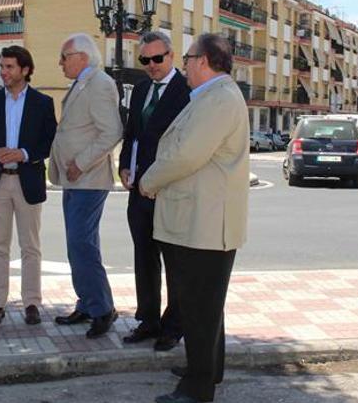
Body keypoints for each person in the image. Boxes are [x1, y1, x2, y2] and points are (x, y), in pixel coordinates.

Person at [139, 34, 249, 403]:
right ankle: (207, 370)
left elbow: (187, 155)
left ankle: (197, 390)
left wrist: (148, 181)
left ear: (203, 60)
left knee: (199, 309)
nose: (183, 66)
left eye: (186, 59)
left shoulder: (219, 99)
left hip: (203, 225)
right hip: (199, 221)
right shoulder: (211, 96)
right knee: (205, 306)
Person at [0, 46, 57, 326]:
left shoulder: (43, 103)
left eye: (9, 67)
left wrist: (24, 153)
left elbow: (49, 142)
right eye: (2, 66)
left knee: (30, 246)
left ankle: (32, 302)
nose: (3, 72)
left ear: (25, 70)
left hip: (28, 180)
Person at [118, 31, 189, 352]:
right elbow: (132, 133)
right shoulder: (142, 89)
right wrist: (123, 164)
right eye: (144, 60)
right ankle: (148, 320)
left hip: (170, 190)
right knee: (144, 258)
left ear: (171, 56)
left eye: (157, 59)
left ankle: (174, 326)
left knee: (174, 262)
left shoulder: (187, 90)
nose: (151, 65)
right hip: (138, 190)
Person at [49, 33, 122, 339]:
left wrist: (80, 162)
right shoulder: (83, 83)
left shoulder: (100, 84)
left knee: (82, 244)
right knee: (77, 244)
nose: (60, 63)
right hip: (75, 180)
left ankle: (103, 309)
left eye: (64, 57)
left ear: (81, 56)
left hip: (88, 179)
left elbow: (112, 132)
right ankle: (88, 303)